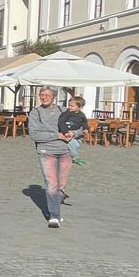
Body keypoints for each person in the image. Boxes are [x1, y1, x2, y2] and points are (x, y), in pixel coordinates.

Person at [29, 86, 72, 228]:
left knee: (62, 186)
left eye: (47, 95)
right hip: (46, 151)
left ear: (54, 96)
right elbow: (34, 135)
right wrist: (56, 135)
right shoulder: (35, 113)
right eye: (41, 95)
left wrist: (74, 133)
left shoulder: (63, 111)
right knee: (52, 184)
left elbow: (78, 125)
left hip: (65, 151)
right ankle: (54, 215)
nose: (44, 97)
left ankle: (55, 205)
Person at [59, 96, 89, 166]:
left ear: (80, 107)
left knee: (77, 145)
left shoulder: (81, 115)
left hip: (77, 133)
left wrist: (85, 128)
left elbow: (84, 122)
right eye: (69, 105)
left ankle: (70, 156)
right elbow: (61, 122)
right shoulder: (66, 113)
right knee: (73, 144)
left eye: (72, 106)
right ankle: (74, 157)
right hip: (68, 132)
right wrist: (65, 132)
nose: (69, 107)